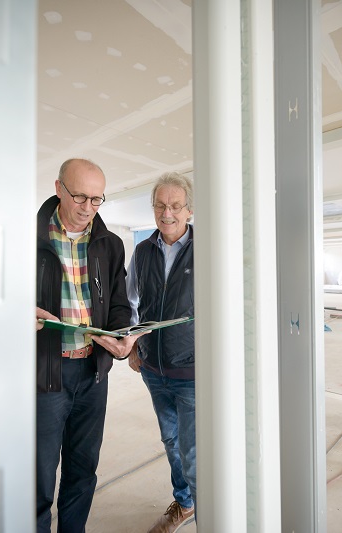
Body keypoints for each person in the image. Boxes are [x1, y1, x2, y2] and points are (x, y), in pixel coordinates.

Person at [35, 158, 139, 533]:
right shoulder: (28, 240)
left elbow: (117, 304)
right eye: (79, 196)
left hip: (93, 373)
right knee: (39, 472)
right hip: (45, 371)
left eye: (97, 199)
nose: (87, 207)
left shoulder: (110, 244)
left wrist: (121, 338)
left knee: (83, 468)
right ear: (59, 188)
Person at [126, 172, 196, 533]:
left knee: (194, 451)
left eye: (175, 205)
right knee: (171, 441)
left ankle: (212, 512)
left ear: (189, 209)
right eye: (160, 205)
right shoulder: (141, 252)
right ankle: (185, 504)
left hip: (192, 371)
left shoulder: (207, 250)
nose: (167, 213)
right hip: (154, 371)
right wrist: (135, 344)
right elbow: (131, 303)